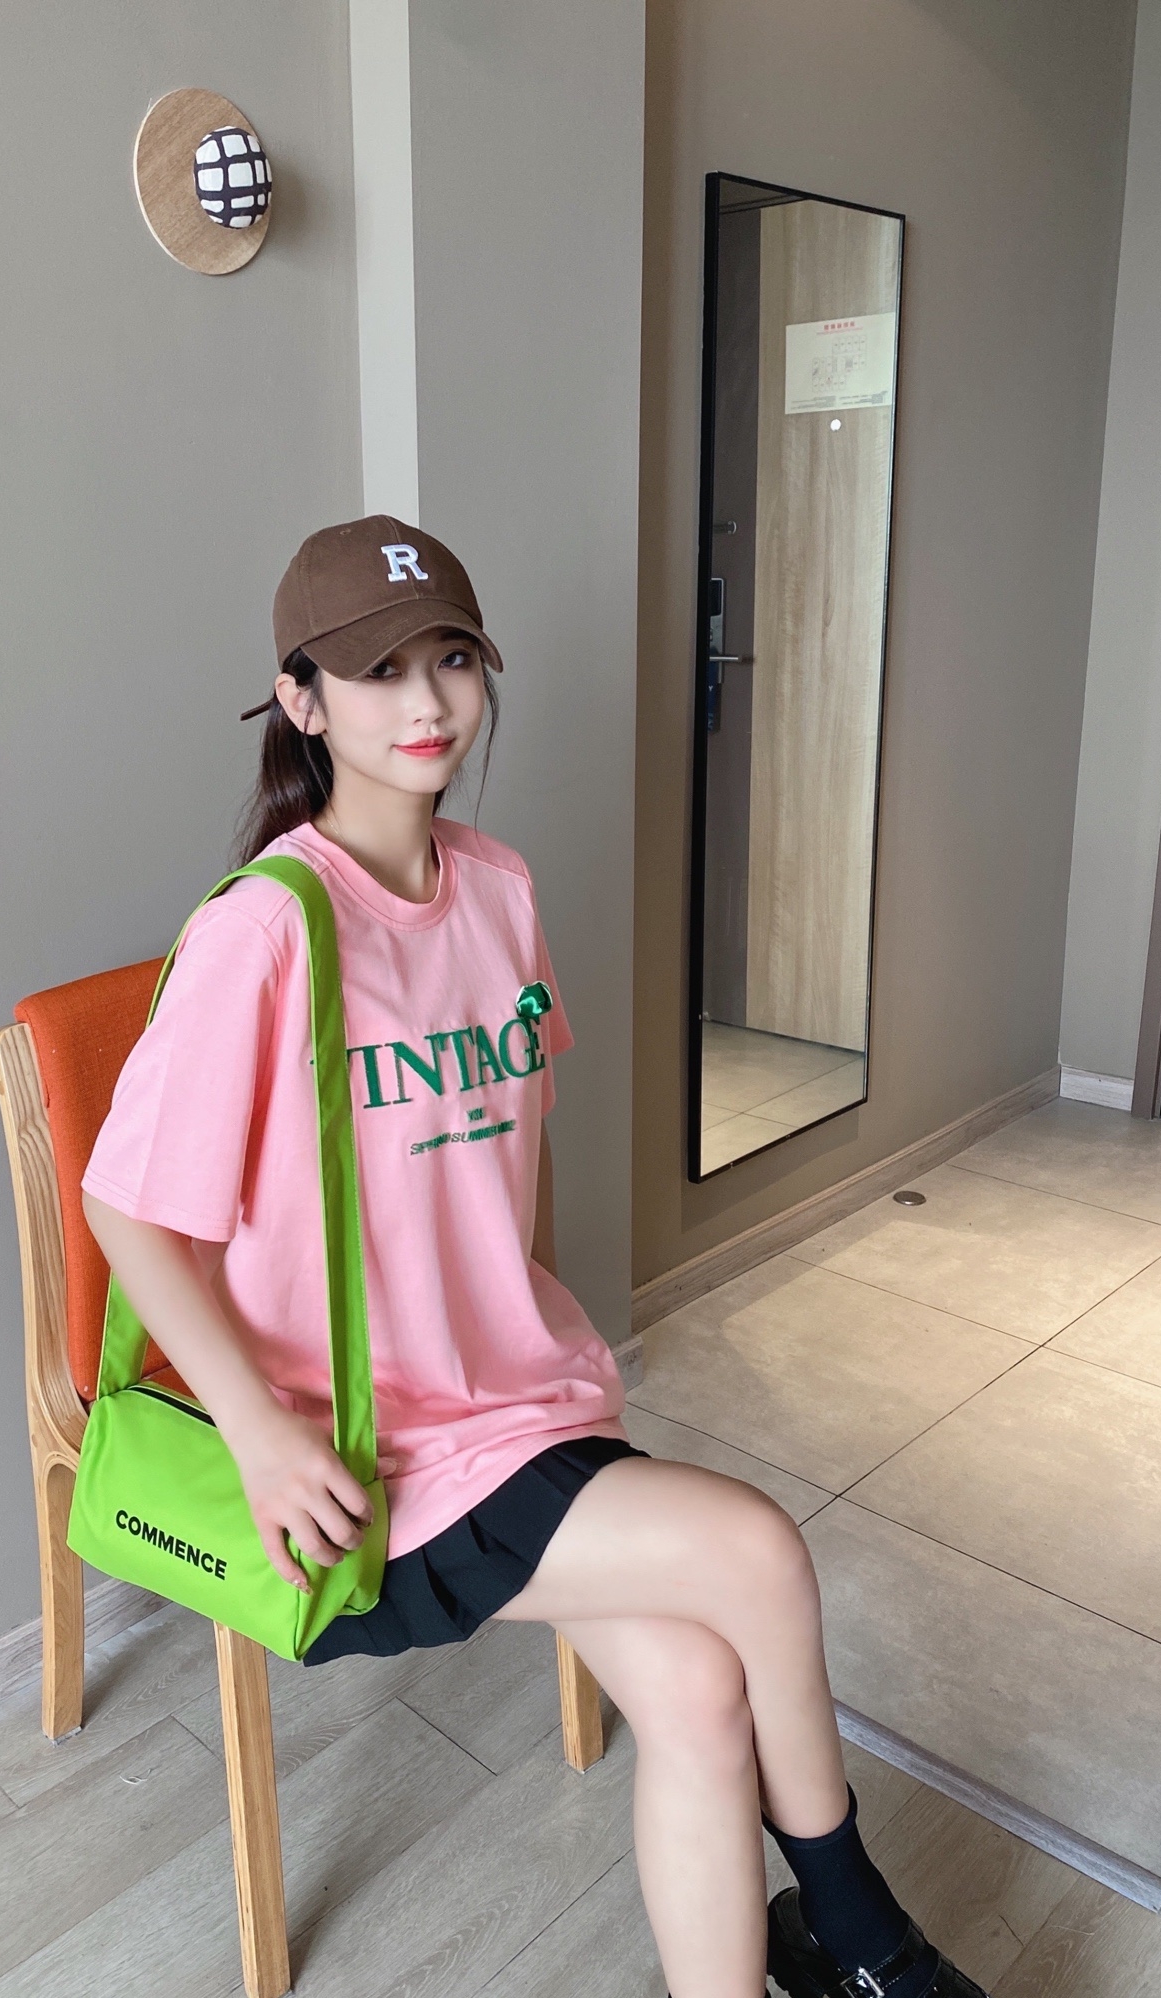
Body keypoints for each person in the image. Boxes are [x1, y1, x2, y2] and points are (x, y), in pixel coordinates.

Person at [80, 516, 985, 1998]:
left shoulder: (497, 887)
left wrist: (552, 1352)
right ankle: (862, 1935)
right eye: (376, 672)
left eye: (449, 658)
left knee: (698, 1693)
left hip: (518, 1407)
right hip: (370, 1461)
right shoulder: (266, 930)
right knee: (757, 1551)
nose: (425, 701)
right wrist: (257, 1436)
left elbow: (519, 1151)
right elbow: (127, 1212)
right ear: (301, 701)